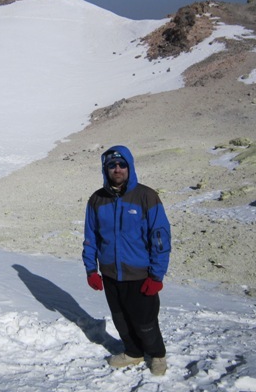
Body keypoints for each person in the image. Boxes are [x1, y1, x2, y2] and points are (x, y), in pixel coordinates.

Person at [82, 145, 171, 375]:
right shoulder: (97, 200)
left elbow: (160, 238)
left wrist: (156, 275)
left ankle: (157, 355)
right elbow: (90, 237)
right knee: (121, 319)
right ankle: (133, 352)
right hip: (111, 274)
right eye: (112, 165)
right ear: (105, 169)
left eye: (122, 164)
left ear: (129, 167)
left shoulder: (146, 196)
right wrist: (91, 269)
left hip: (140, 275)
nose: (117, 169)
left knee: (145, 321)